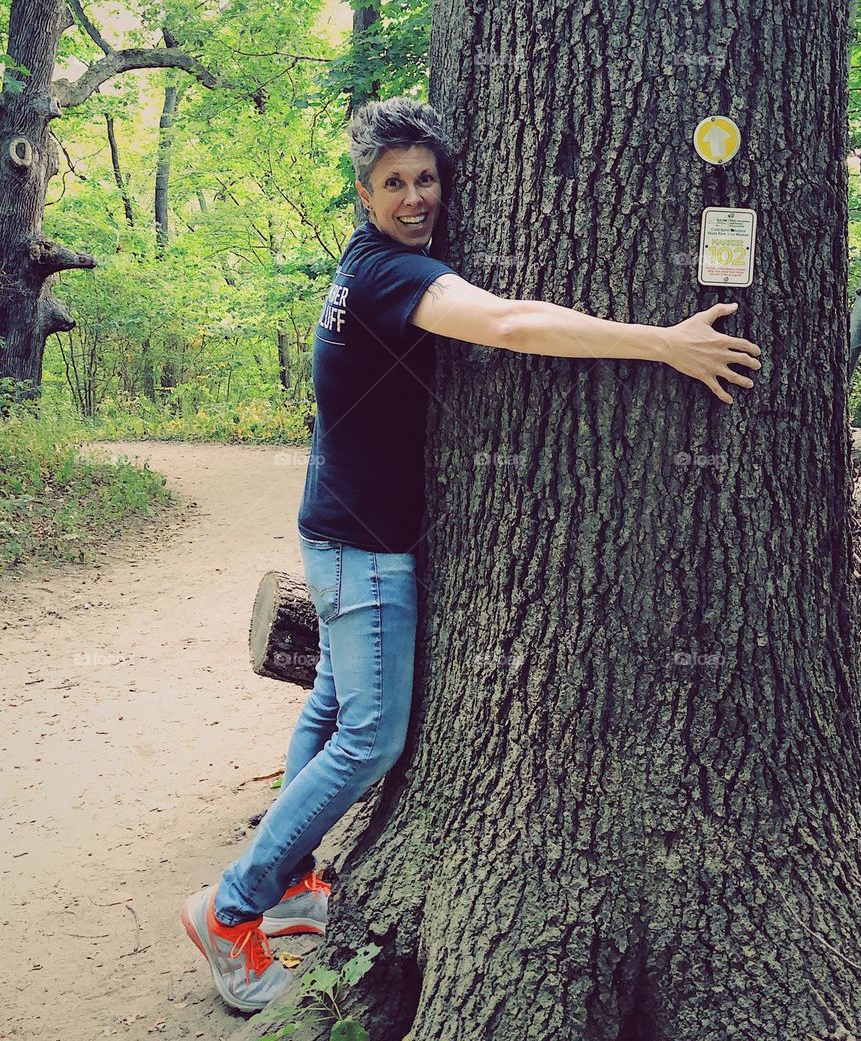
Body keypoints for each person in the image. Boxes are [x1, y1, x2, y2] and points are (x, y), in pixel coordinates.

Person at [181, 97, 762, 1013]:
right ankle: (232, 906)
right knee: (369, 740)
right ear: (364, 194)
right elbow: (510, 325)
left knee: (334, 706)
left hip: (339, 529)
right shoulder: (388, 274)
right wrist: (665, 345)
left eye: (426, 178)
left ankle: (288, 881)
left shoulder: (365, 265)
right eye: (394, 183)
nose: (417, 197)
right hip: (363, 548)